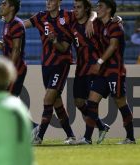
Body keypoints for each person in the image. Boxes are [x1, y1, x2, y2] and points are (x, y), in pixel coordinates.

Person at [23, 0, 96, 144]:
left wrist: (91, 21)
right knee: (56, 103)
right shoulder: (41, 17)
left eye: (51, 0)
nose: (48, 3)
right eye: (47, 0)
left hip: (61, 64)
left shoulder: (68, 15)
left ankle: (39, 136)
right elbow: (22, 25)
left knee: (48, 99)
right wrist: (10, 22)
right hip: (46, 65)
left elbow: (91, 13)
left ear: (59, 2)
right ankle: (72, 135)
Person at [78, 0, 136, 144]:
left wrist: (99, 62)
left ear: (109, 10)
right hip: (103, 72)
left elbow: (113, 46)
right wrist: (91, 20)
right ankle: (87, 138)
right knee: (92, 101)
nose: (98, 8)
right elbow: (90, 13)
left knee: (120, 102)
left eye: (101, 6)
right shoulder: (98, 23)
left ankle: (130, 137)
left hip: (114, 70)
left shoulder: (116, 26)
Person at [0, 0, 39, 134]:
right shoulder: (7, 23)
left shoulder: (16, 24)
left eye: (4, 4)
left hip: (16, 69)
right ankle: (31, 128)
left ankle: (32, 128)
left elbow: (16, 50)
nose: (1, 6)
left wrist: (9, 71)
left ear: (12, 8)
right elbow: (4, 46)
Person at [54, 0, 110, 144]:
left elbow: (98, 14)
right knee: (78, 102)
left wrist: (92, 19)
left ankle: (87, 138)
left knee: (91, 102)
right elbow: (64, 46)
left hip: (95, 68)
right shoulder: (72, 25)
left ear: (86, 9)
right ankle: (101, 126)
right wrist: (54, 41)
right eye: (74, 7)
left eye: (78, 7)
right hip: (81, 68)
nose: (75, 10)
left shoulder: (95, 22)